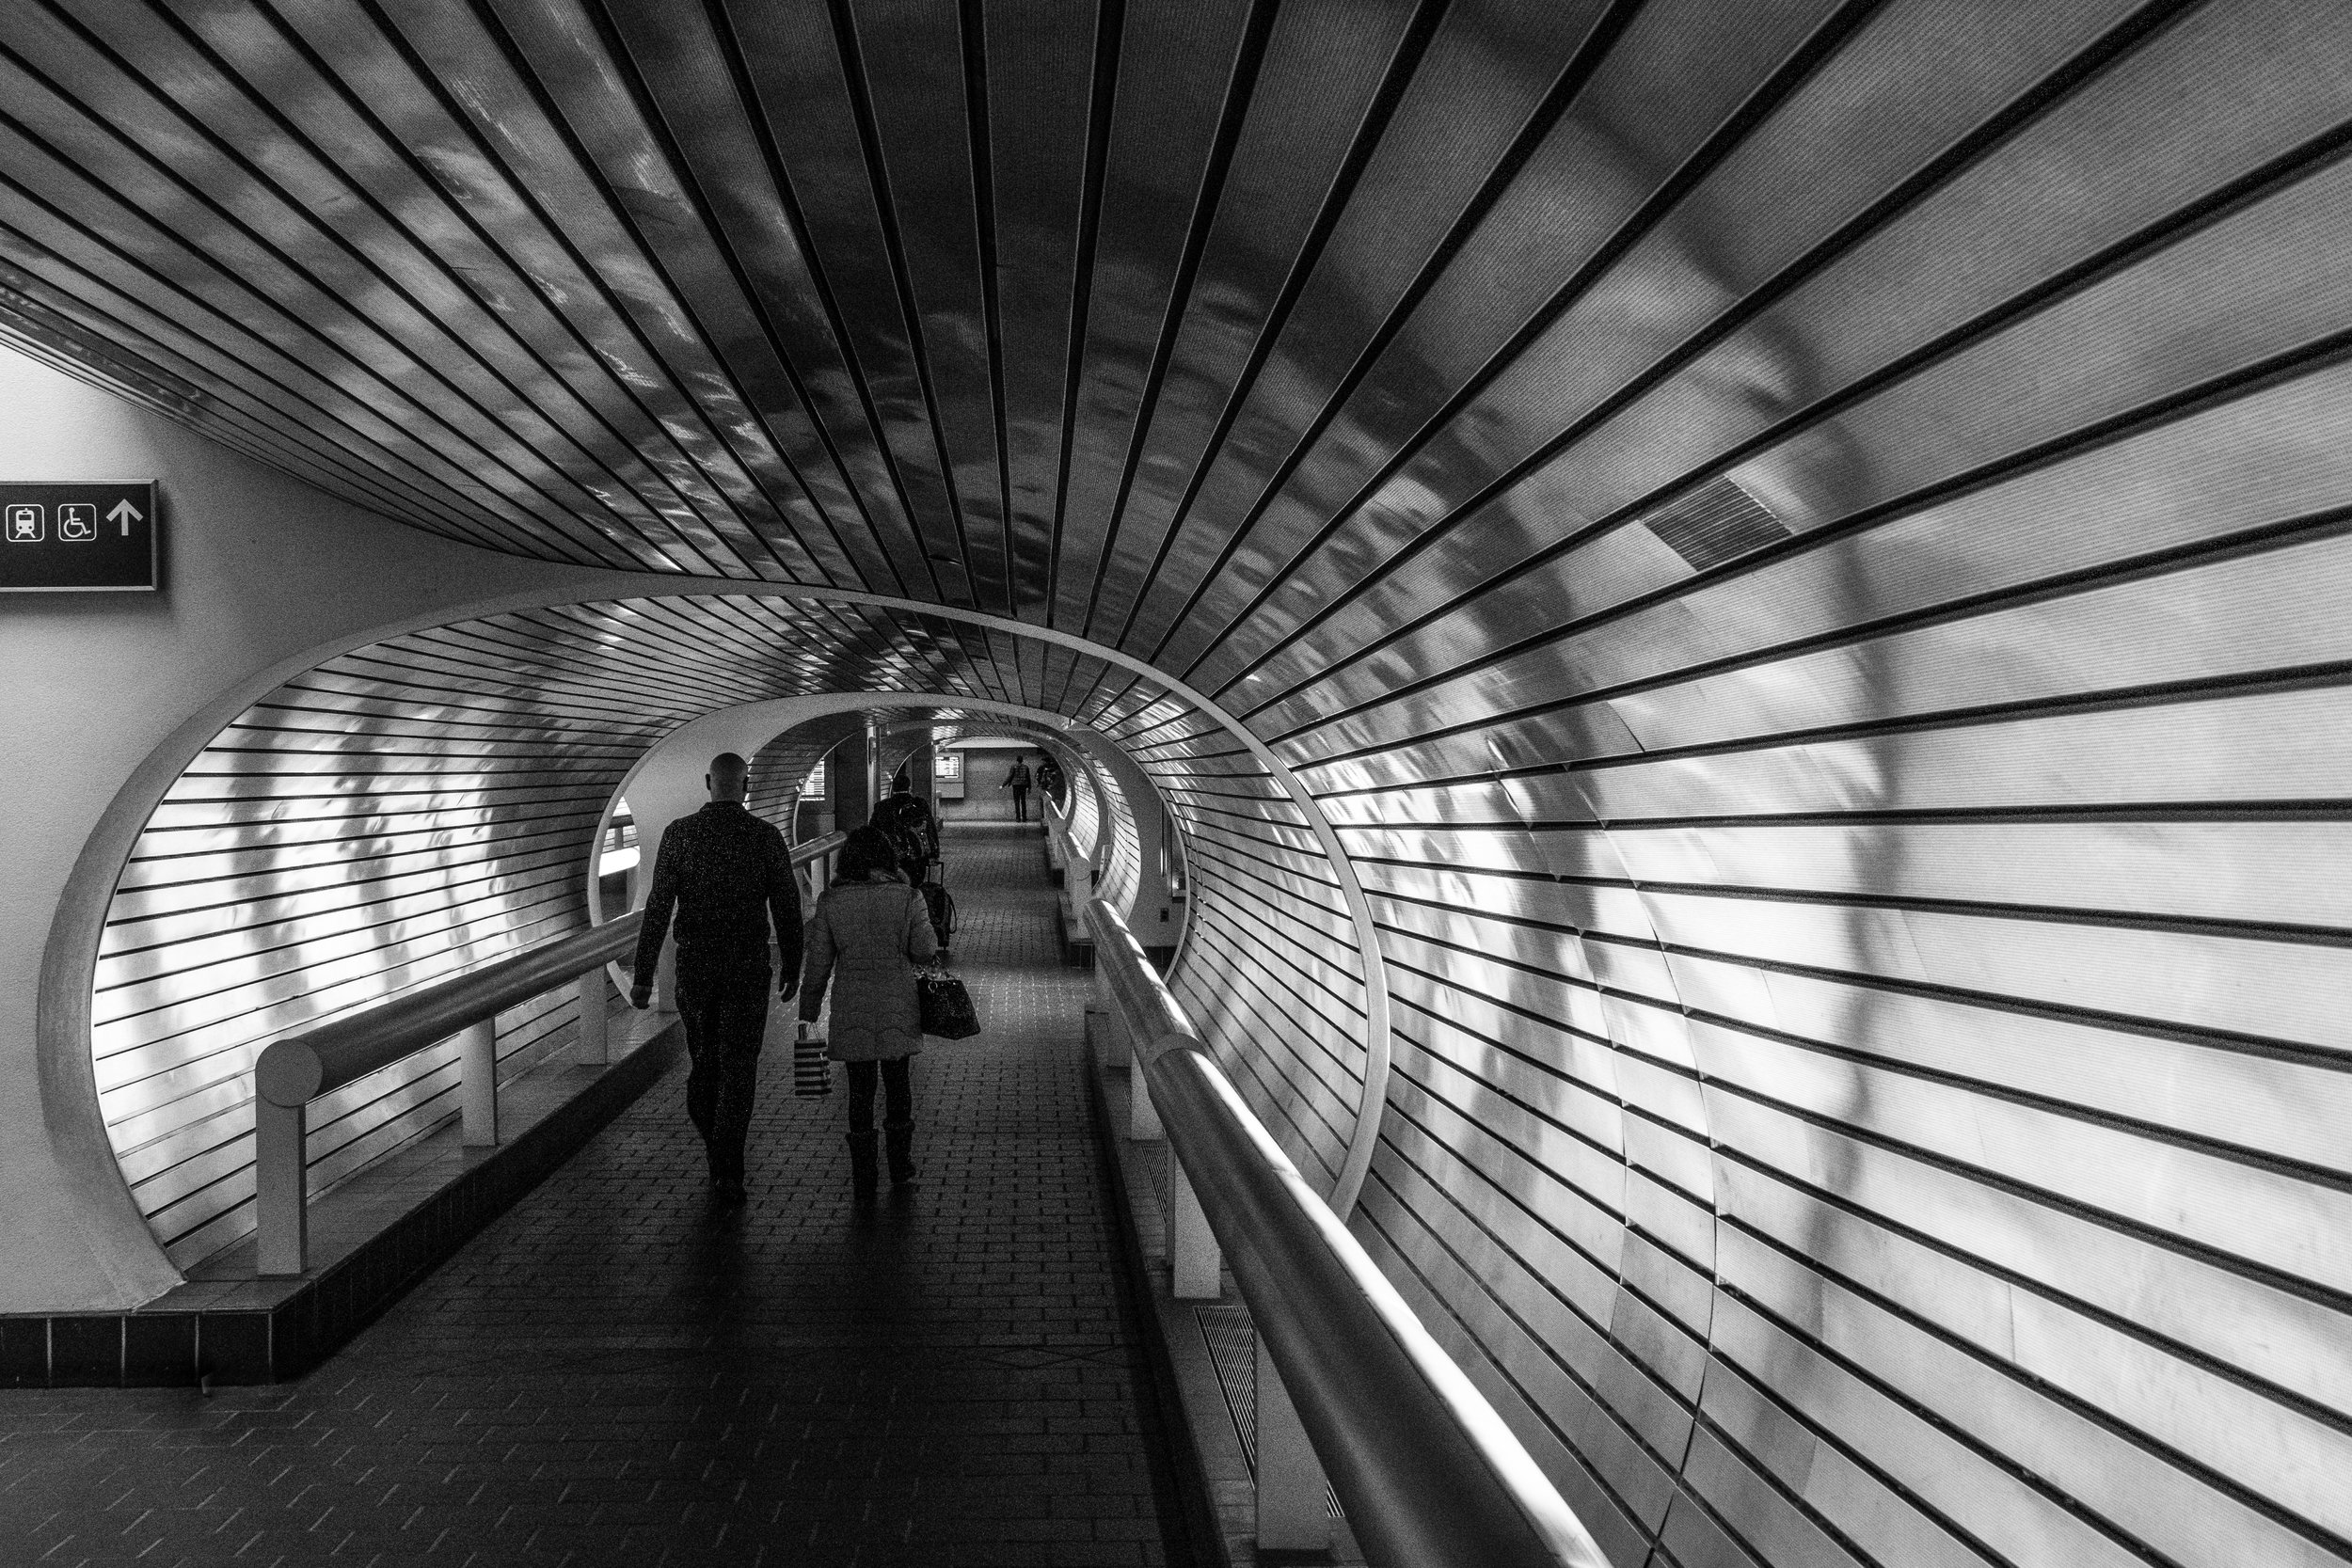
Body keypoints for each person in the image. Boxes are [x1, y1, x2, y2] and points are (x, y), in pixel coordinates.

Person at [630, 752, 802, 1206]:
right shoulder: (764, 837)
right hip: (746, 965)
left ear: (708, 782)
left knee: (705, 1062)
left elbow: (659, 905)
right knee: (740, 1067)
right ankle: (729, 1166)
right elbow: (786, 902)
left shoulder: (680, 835)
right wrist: (794, 962)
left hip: (696, 966)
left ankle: (715, 1148)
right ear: (747, 786)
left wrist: (644, 974)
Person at [798, 825, 939, 1196]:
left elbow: (818, 963)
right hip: (898, 1005)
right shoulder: (908, 897)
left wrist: (809, 1010)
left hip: (852, 1008)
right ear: (888, 858)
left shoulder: (831, 901)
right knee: (898, 1084)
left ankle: (864, 1174)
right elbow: (925, 950)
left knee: (859, 1091)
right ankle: (900, 1166)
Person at [870, 776, 938, 884]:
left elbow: (873, 833)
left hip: (892, 859)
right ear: (909, 788)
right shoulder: (919, 804)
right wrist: (934, 853)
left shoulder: (882, 807)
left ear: (893, 789)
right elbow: (931, 828)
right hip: (917, 859)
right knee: (915, 885)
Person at [1003, 753, 1033, 822]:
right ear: (1022, 760)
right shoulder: (1026, 767)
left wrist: (1003, 784)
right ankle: (1024, 817)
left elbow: (1010, 776)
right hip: (1023, 785)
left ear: (1017, 760)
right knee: (1023, 801)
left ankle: (1018, 818)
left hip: (1016, 785)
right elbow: (1028, 777)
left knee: (1017, 802)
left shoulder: (1014, 766)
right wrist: (1029, 787)